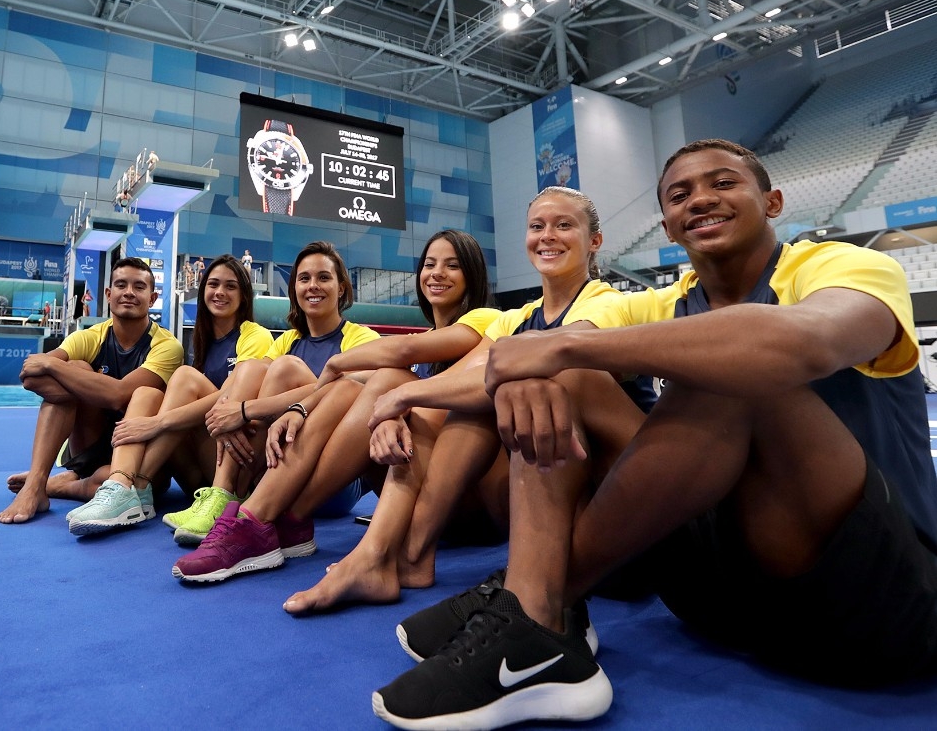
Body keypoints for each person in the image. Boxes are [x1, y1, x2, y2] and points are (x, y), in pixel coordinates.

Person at [372, 140, 937, 729]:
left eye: (723, 184)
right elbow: (538, 355)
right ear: (666, 224)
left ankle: (535, 599)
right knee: (568, 379)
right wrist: (506, 372)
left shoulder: (843, 265)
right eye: (680, 194)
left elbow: (803, 341)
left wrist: (556, 346)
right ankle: (535, 620)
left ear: (772, 202)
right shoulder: (664, 302)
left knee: (733, 367)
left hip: (876, 603)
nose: (700, 200)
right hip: (718, 599)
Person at [285, 187, 651, 614]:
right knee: (458, 400)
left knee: (509, 387)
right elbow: (461, 380)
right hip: (543, 503)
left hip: (622, 507)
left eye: (564, 225)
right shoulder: (518, 317)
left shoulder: (606, 302)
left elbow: (531, 364)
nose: (548, 235)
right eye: (537, 226)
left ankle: (292, 518)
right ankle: (394, 554)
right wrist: (393, 403)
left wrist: (393, 397)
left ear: (595, 241)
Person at [171, 230, 497, 584]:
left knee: (381, 380)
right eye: (430, 264)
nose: (437, 273)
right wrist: (299, 408)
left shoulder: (487, 322)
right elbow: (365, 386)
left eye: (452, 266)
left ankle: (260, 516)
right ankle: (269, 517)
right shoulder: (294, 342)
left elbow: (402, 356)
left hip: (468, 499)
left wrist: (336, 367)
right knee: (345, 388)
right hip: (404, 482)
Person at [170, 241, 383, 580]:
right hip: (273, 469)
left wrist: (244, 409)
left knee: (285, 371)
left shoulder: (361, 338)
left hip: (331, 481)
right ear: (294, 288)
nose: (312, 286)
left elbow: (348, 389)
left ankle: (238, 500)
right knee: (251, 369)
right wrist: (230, 409)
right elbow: (248, 381)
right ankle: (228, 494)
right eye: (304, 278)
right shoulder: (286, 340)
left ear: (341, 287)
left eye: (323, 278)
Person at [63, 254, 272, 536]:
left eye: (231, 286)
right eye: (213, 284)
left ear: (244, 296)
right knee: (147, 393)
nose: (220, 292)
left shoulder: (255, 335)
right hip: (197, 470)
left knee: (184, 377)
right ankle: (120, 485)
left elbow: (231, 396)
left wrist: (160, 423)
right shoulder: (202, 343)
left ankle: (132, 486)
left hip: (235, 461)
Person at [0, 257, 184, 524]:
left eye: (139, 287)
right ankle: (36, 484)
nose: (129, 292)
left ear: (152, 298)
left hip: (136, 452)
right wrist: (82, 380)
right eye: (121, 285)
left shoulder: (166, 346)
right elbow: (31, 378)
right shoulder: (89, 337)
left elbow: (119, 395)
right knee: (77, 367)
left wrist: (56, 368)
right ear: (109, 294)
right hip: (89, 444)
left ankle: (55, 485)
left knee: (113, 483)